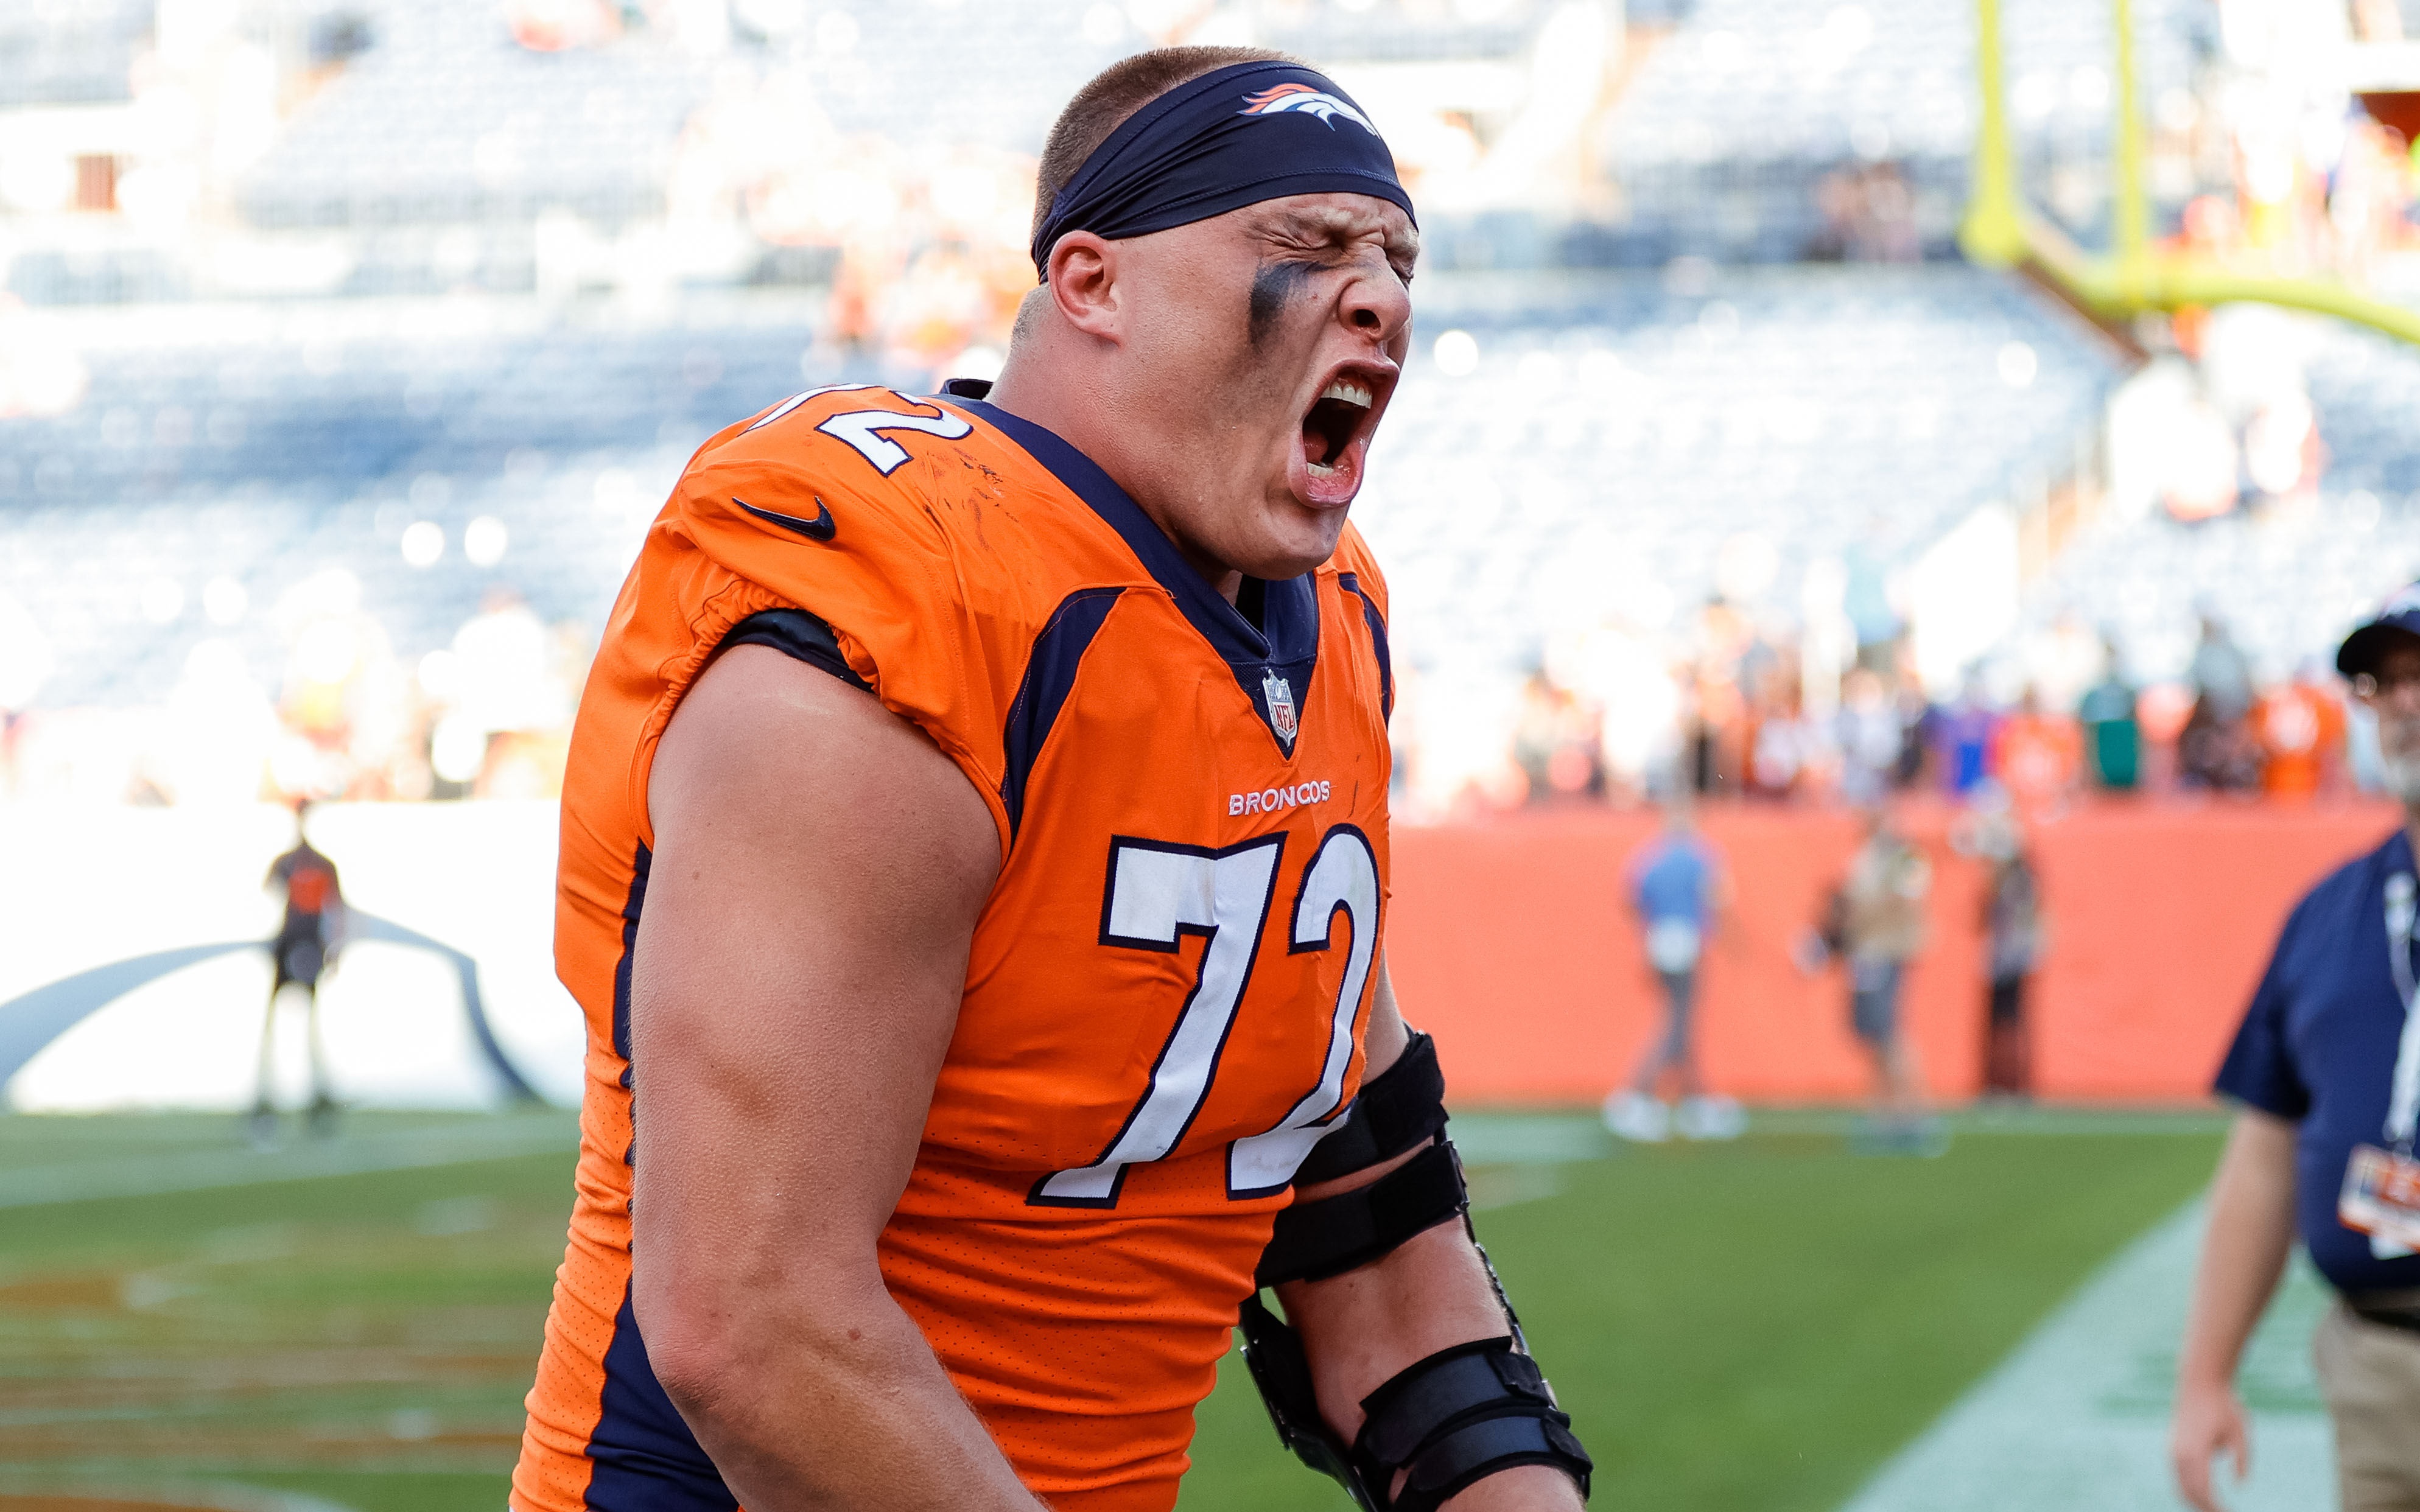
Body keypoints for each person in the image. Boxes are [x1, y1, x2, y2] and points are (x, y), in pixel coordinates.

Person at [513, 47, 1593, 1512]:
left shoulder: (1321, 623)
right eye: (1306, 246)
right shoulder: (893, 614)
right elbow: (751, 1329)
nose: (1383, 295)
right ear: (1090, 282)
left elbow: (1371, 1225)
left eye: (1397, 257)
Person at [2172, 586, 2420, 1512]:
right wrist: (2204, 1376)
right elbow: (2264, 1153)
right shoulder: (2325, 918)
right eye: (2383, 681)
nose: (2402, 701)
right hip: (2377, 1371)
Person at [1603, 798, 1742, 1143]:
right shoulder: (1702, 856)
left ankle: (1696, 1099)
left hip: (1658, 940)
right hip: (1687, 940)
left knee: (1680, 1020)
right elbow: (1717, 898)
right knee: (1677, 1023)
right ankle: (1638, 1094)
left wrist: (1650, 930)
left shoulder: (1650, 857)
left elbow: (1632, 900)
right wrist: (1728, 936)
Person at [1831, 804, 1938, 1153]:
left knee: (1892, 1033)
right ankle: (1885, 1113)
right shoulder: (1865, 857)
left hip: (1888, 952)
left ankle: (1913, 1113)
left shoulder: (1906, 857)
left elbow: (1902, 902)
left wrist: (1861, 916)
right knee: (1874, 1035)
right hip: (1867, 953)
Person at [254, 803, 345, 1144]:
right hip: (289, 944)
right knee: (273, 1028)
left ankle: (316, 1102)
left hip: (307, 945)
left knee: (310, 1030)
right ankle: (269, 1102)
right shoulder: (287, 863)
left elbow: (335, 909)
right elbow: (268, 899)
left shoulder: (320, 865)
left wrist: (333, 950)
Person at [2078, 645, 2141, 793]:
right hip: (2102, 756)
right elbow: (2087, 730)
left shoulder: (2128, 692)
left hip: (2125, 762)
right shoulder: (2093, 694)